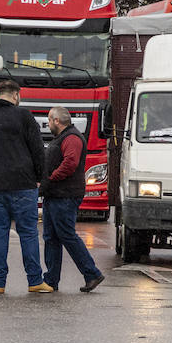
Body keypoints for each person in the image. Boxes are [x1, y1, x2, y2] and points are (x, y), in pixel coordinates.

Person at [0, 79, 53, 294]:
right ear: (16, 95)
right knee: (28, 233)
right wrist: (40, 177)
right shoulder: (23, 116)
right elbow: (37, 149)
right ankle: (34, 281)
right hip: (22, 185)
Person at [41, 106, 106, 293]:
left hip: (64, 195)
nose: (47, 124)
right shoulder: (64, 137)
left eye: (49, 120)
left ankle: (92, 273)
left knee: (66, 235)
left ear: (56, 121)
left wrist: (51, 178)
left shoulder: (71, 138)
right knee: (51, 237)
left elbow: (70, 163)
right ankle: (51, 280)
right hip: (55, 195)